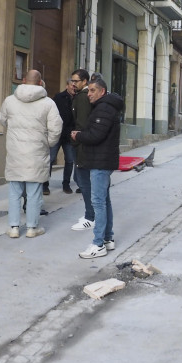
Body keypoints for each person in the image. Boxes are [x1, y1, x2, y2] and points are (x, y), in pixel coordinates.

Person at [0, 69, 62, 239]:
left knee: (14, 192)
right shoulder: (48, 103)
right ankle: (32, 228)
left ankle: (13, 227)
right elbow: (56, 129)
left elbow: (2, 119)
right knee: (34, 193)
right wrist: (46, 143)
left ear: (23, 80)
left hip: (15, 152)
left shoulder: (10, 101)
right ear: (41, 82)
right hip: (37, 153)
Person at [71, 76, 124, 259]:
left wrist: (78, 136)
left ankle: (98, 244)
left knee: (98, 203)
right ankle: (108, 239)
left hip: (100, 162)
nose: (89, 94)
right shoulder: (105, 107)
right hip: (102, 160)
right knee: (104, 200)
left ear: (102, 92)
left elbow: (96, 136)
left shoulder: (104, 109)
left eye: (92, 90)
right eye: (88, 91)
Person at [69, 69, 96, 231]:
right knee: (85, 181)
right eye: (72, 80)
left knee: (84, 182)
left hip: (82, 145)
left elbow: (82, 123)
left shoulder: (82, 98)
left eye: (76, 81)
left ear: (84, 81)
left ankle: (90, 216)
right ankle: (90, 213)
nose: (73, 83)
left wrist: (76, 140)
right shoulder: (81, 97)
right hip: (84, 144)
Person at [46, 78, 77, 195]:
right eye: (72, 85)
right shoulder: (59, 97)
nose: (74, 87)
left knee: (69, 160)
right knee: (50, 159)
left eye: (75, 85)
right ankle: (45, 184)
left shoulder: (78, 98)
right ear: (67, 86)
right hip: (57, 133)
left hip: (70, 135)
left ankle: (66, 184)